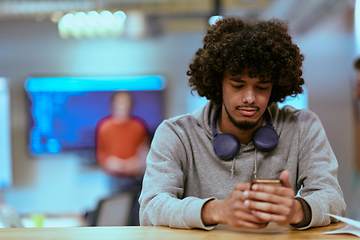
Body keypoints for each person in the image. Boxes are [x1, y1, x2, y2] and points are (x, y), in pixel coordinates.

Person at [139, 17, 346, 230]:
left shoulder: (303, 126)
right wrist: (216, 210)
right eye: (238, 85)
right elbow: (151, 207)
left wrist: (297, 210)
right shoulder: (176, 134)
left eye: (262, 86)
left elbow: (333, 199)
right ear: (218, 83)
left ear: (275, 87)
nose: (250, 98)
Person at [95, 91, 149, 194]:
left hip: (135, 177)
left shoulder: (138, 127)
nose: (123, 105)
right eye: (120, 101)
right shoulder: (104, 127)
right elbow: (101, 155)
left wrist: (132, 165)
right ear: (113, 104)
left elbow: (143, 152)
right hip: (113, 178)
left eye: (126, 101)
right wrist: (114, 164)